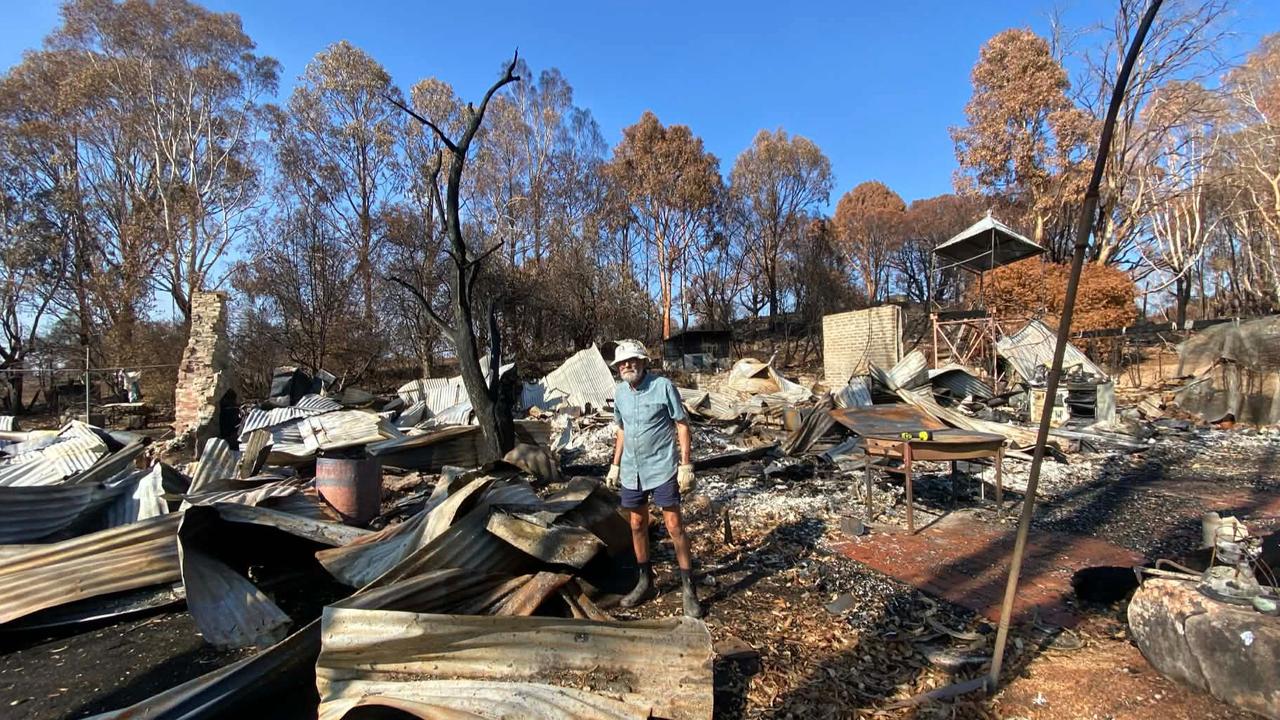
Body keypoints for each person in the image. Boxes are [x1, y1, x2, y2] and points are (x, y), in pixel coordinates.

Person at [605, 339, 703, 618]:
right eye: (623, 362)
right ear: (618, 368)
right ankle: (645, 582)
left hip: (661, 468)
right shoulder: (621, 394)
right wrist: (614, 465)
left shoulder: (663, 387)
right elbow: (621, 431)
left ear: (644, 361)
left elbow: (681, 424)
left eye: (633, 360)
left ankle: (688, 589)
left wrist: (686, 465)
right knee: (637, 524)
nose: (628, 365)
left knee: (674, 525)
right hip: (632, 470)